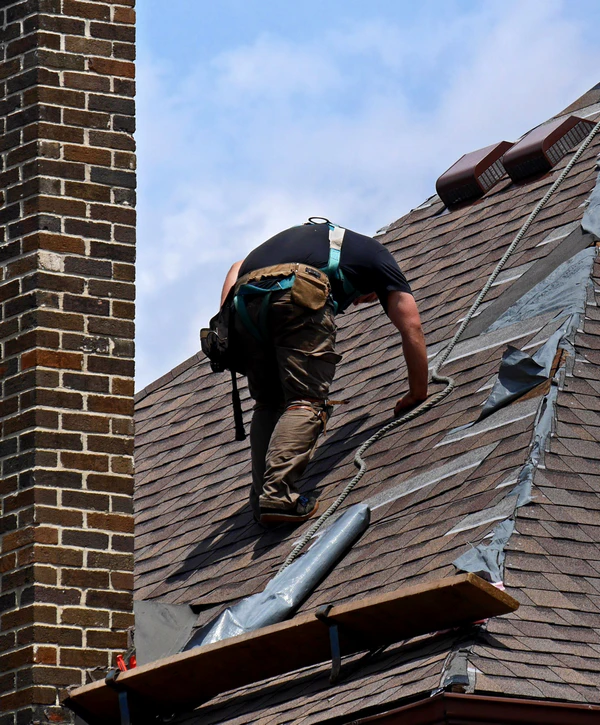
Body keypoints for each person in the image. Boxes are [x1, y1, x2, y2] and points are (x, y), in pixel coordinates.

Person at [220, 219, 428, 525]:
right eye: (367, 297)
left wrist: (226, 322)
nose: (356, 302)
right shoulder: (378, 256)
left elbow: (238, 266)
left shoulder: (312, 241)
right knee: (306, 399)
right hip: (292, 291)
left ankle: (261, 500)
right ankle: (277, 496)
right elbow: (412, 326)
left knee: (269, 404)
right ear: (376, 284)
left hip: (243, 303)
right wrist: (417, 392)